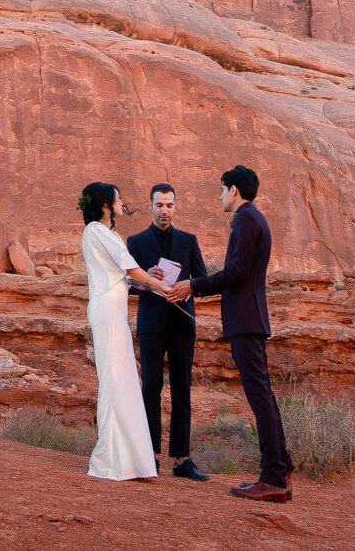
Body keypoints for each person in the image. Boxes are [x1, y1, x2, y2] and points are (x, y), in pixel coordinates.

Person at [162, 164, 293, 501]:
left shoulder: (247, 218)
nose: (220, 196)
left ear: (234, 190)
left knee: (259, 395)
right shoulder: (254, 218)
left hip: (246, 320)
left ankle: (274, 477)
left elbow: (235, 272)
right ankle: (279, 469)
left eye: (222, 190)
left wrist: (193, 285)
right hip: (250, 318)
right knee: (263, 394)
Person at [76, 181, 163, 481]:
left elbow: (124, 276)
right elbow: (128, 269)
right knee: (114, 378)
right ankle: (110, 459)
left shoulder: (99, 234)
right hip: (108, 312)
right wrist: (162, 286)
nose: (121, 201)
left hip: (112, 310)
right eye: (118, 197)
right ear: (104, 204)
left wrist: (148, 278)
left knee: (122, 378)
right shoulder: (97, 231)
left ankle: (128, 460)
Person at [127, 182, 210, 481]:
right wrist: (146, 279)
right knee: (151, 387)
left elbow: (202, 279)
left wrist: (190, 288)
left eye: (170, 205)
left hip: (181, 323)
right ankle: (150, 456)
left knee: (182, 390)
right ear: (149, 205)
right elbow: (127, 283)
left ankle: (181, 459)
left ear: (175, 206)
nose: (165, 210)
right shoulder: (135, 241)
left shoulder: (189, 240)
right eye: (160, 205)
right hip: (151, 324)